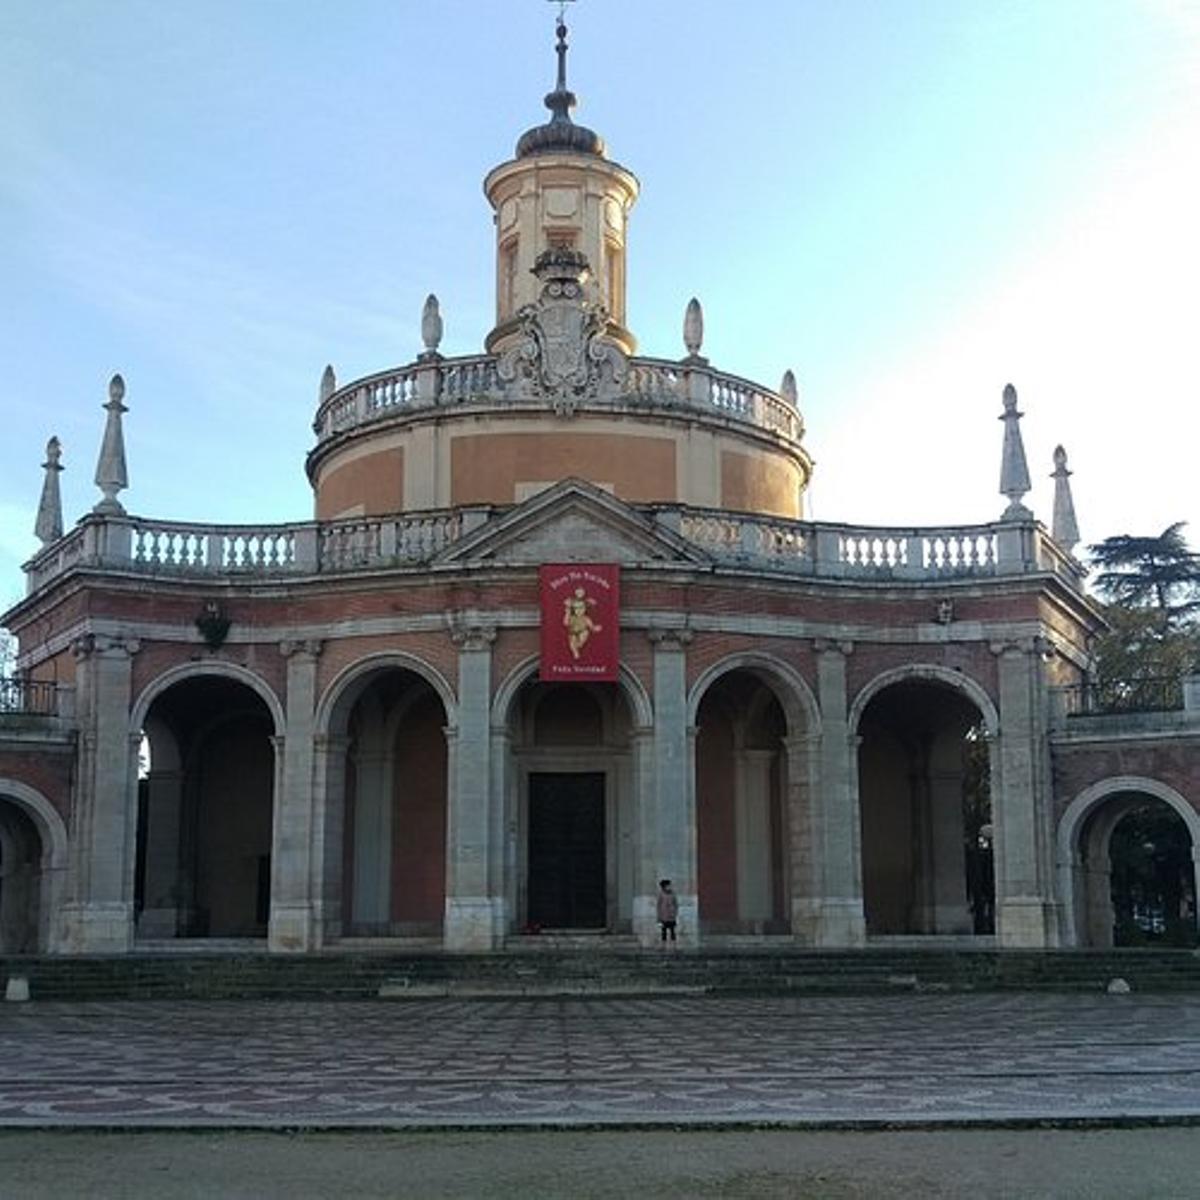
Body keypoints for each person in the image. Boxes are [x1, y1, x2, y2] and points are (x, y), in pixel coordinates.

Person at [656, 878, 678, 944]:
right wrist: (659, 915)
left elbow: (675, 904)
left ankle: (673, 943)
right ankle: (663, 943)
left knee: (672, 930)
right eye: (668, 885)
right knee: (664, 930)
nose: (669, 887)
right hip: (663, 915)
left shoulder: (673, 893)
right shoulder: (661, 894)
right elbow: (658, 905)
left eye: (669, 885)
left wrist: (675, 912)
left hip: (671, 915)